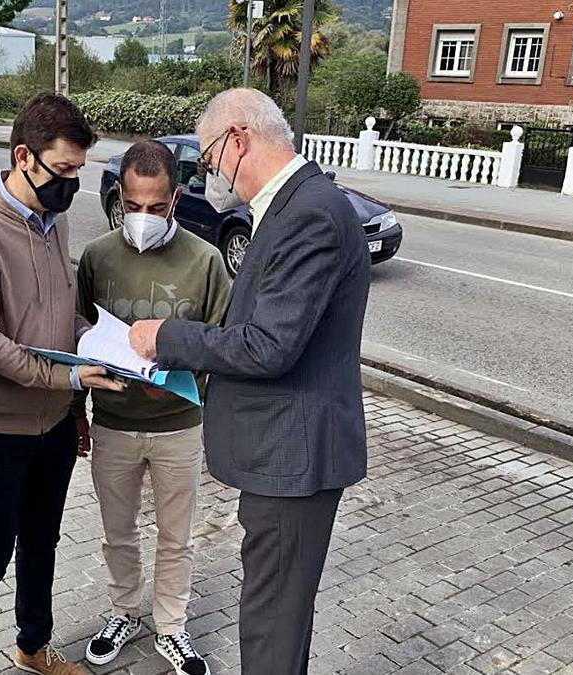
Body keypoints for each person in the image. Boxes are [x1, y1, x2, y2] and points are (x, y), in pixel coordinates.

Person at [127, 88, 371, 675]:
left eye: (212, 161)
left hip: (294, 458)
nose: (217, 176)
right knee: (279, 611)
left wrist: (168, 338)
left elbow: (269, 345)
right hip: (283, 452)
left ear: (238, 138)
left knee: (272, 615)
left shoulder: (308, 212)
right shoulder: (294, 204)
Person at [0, 92, 124, 675]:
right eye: (64, 170)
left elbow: (57, 312)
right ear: (24, 156)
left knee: (40, 545)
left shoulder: (54, 219)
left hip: (51, 425)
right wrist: (68, 372)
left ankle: (32, 646)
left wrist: (98, 344)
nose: (72, 184)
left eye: (79, 171)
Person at [74, 141, 231, 675]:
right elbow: (78, 336)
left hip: (178, 426)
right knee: (117, 531)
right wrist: (78, 411)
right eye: (134, 205)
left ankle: (171, 625)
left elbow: (224, 342)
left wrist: (193, 379)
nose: (144, 218)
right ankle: (123, 613)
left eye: (157, 207)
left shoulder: (206, 261)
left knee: (176, 535)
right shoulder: (96, 258)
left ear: (176, 198)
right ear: (120, 195)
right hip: (114, 423)